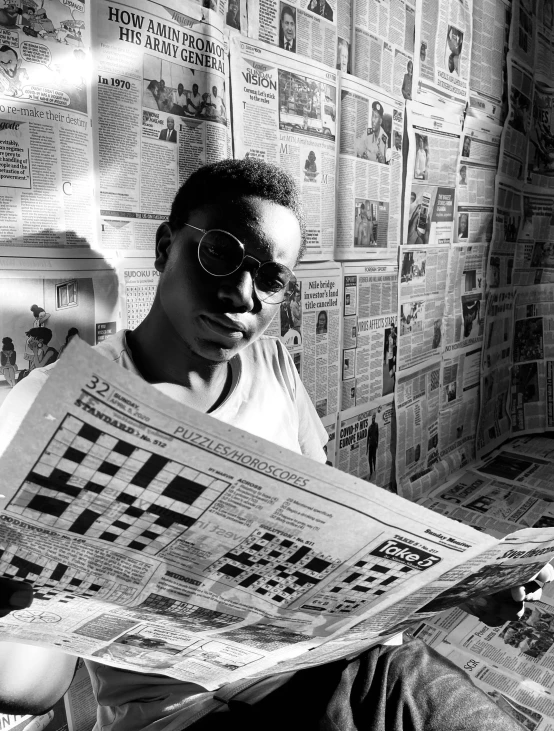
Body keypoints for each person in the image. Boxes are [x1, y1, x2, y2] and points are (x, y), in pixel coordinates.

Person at [0, 160, 552, 731]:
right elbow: (28, 687)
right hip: (187, 715)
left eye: (270, 278)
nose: (242, 294)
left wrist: (454, 585)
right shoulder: (55, 406)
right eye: (220, 252)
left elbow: (338, 540)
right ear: (166, 247)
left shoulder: (271, 363)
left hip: (348, 671)